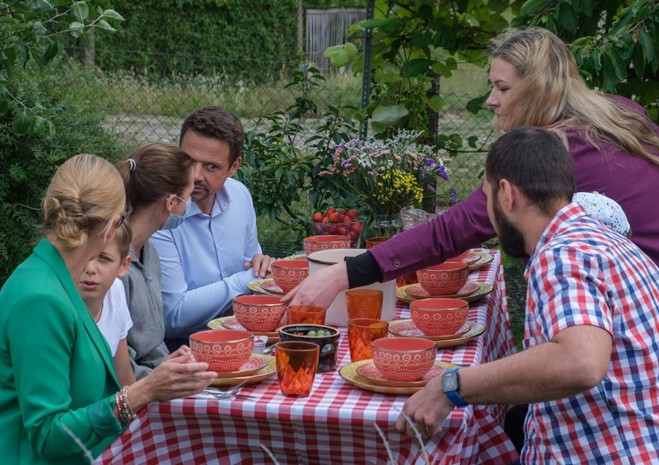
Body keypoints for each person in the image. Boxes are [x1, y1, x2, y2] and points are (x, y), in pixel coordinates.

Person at [284, 27, 659, 310]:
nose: (492, 100)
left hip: (635, 310)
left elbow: (452, 229)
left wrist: (344, 274)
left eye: (503, 88)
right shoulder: (621, 113)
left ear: (538, 90)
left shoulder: (548, 155)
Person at [396, 127, 659, 462]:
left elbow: (580, 362)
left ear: (506, 194)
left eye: (488, 197)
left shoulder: (563, 255)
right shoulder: (600, 239)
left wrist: (451, 387)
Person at [0, 154, 215, 465]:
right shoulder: (42, 299)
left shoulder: (57, 280)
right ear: (116, 224)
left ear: (48, 208)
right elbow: (48, 435)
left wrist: (157, 381)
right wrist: (141, 392)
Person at [151, 106, 274, 351]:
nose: (195, 175)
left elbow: (254, 275)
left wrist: (262, 266)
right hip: (181, 348)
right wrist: (248, 279)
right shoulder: (162, 210)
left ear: (234, 166)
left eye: (211, 167)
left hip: (241, 334)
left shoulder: (240, 196)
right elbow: (172, 317)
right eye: (188, 161)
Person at [115, 143, 197, 379]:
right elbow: (120, 366)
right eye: (188, 197)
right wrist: (159, 375)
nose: (189, 205)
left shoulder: (149, 252)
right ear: (171, 203)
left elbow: (150, 348)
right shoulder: (114, 265)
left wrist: (168, 362)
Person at [78, 222, 135, 386]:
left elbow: (124, 379)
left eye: (104, 259)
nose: (90, 269)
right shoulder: (53, 301)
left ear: (123, 265)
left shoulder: (115, 290)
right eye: (83, 255)